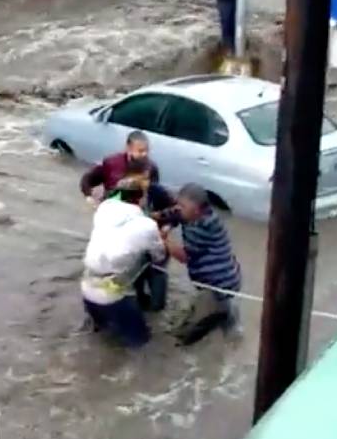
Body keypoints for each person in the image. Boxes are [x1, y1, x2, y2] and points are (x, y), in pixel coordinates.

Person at [81, 177, 169, 348]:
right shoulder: (147, 225)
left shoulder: (103, 209)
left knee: (101, 336)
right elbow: (159, 257)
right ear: (140, 198)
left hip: (87, 286)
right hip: (113, 296)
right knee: (142, 345)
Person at [162, 183, 243, 346]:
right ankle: (229, 324)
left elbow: (184, 257)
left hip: (217, 283)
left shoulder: (203, 228)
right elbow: (175, 215)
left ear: (197, 211)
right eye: (178, 203)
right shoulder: (195, 215)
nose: (178, 208)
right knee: (223, 310)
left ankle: (186, 341)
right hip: (228, 275)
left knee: (194, 328)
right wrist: (168, 220)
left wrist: (162, 238)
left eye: (183, 206)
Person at [80, 130, 163, 205]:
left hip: (134, 212)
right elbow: (88, 178)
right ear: (128, 148)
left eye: (146, 150)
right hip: (111, 207)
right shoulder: (111, 162)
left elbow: (154, 193)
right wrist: (89, 196)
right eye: (140, 151)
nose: (144, 154)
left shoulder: (151, 167)